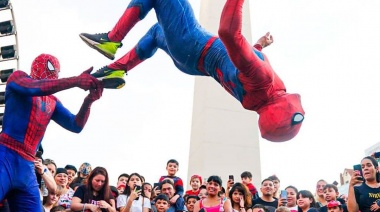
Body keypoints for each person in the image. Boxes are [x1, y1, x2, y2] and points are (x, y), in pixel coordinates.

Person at [79, 0, 305, 142]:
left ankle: (111, 40)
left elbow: (228, 33)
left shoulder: (263, 80)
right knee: (157, 32)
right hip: (189, 62)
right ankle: (116, 71)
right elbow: (241, 65)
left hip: (194, 43)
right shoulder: (256, 99)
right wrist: (258, 46)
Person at [0, 53, 103, 211]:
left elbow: (76, 125)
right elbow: (37, 87)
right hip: (6, 154)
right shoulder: (18, 78)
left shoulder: (52, 102)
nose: (53, 73)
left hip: (26, 165)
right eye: (50, 67)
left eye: (56, 71)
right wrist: (75, 80)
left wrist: (88, 101)